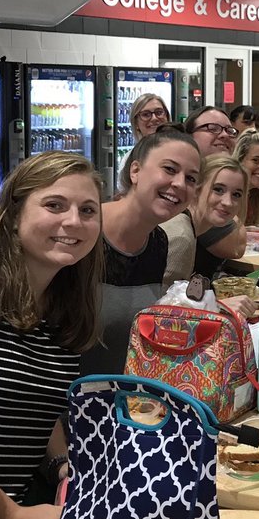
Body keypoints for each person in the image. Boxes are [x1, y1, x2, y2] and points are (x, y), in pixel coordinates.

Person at [0, 153, 104, 519]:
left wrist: (61, 463)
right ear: (15, 211)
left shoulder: (61, 303)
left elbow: (34, 401)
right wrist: (8, 516)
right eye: (54, 205)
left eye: (88, 210)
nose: (73, 221)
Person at [80, 128, 201, 376]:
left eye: (191, 178)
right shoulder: (84, 231)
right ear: (135, 171)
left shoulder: (159, 243)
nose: (179, 183)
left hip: (122, 400)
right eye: (169, 169)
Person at [162, 155, 252, 293]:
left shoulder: (188, 227)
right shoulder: (182, 236)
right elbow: (162, 306)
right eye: (218, 189)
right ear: (196, 189)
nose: (227, 202)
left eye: (237, 194)